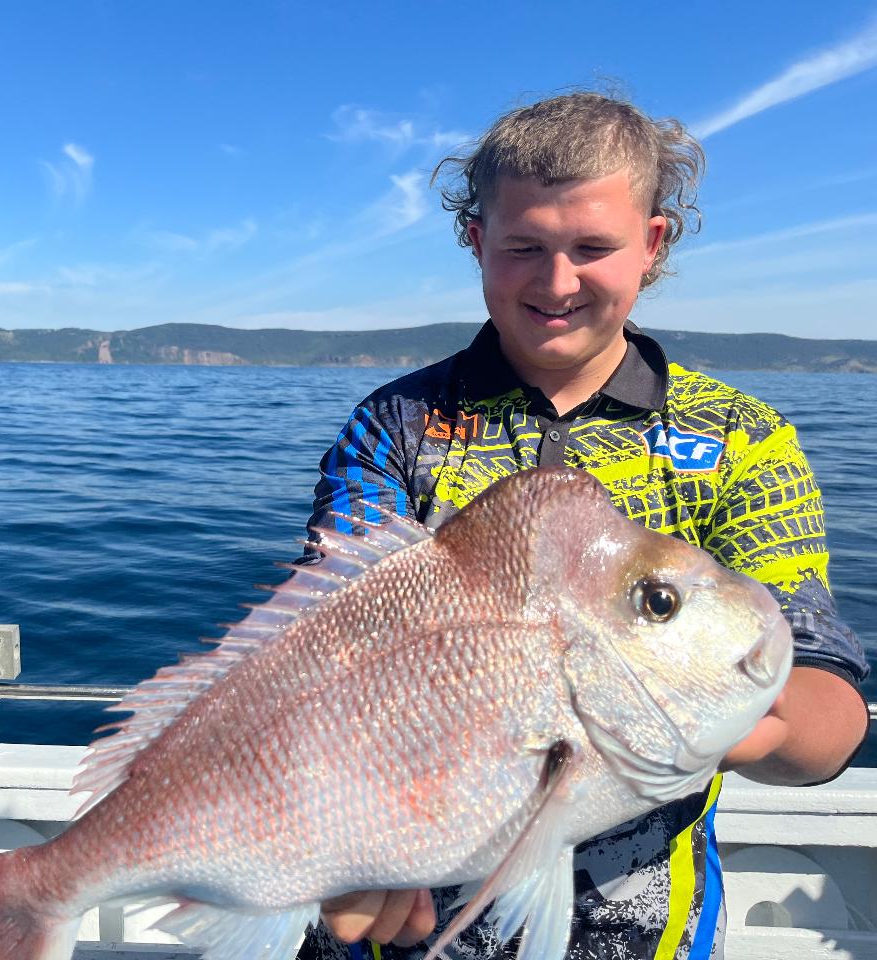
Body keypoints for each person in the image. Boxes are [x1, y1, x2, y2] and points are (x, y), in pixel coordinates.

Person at [293, 92, 871, 960]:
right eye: (523, 246)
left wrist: (707, 723)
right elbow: (319, 650)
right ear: (476, 241)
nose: (557, 282)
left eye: (592, 248)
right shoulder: (397, 425)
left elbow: (826, 699)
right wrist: (345, 833)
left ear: (654, 243)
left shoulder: (739, 438)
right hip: (394, 914)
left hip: (644, 935)